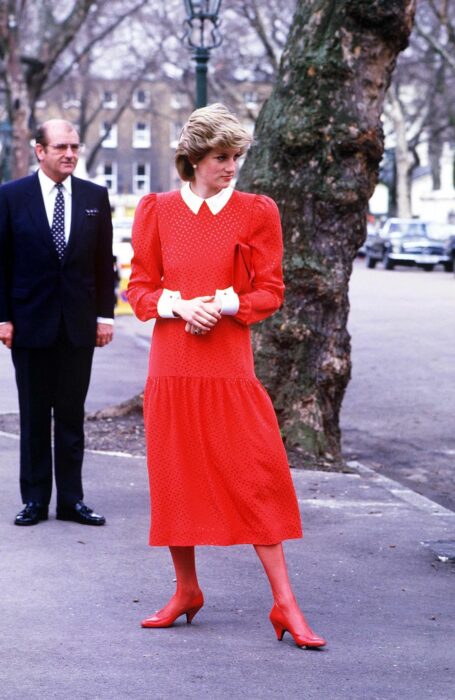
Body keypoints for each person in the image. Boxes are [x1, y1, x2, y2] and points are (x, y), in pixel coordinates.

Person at [127, 103, 326, 649]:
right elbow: (139, 288)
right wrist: (178, 307)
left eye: (237, 155)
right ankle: (186, 591)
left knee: (257, 477)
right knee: (175, 476)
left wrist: (227, 300)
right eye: (221, 156)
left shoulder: (257, 211)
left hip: (229, 368)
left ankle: (286, 604)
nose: (231, 165)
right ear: (193, 159)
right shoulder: (156, 210)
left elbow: (272, 291)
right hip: (172, 367)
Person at [0, 119, 114, 527]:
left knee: (70, 416)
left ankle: (71, 501)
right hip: (29, 325)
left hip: (78, 327)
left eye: (74, 147)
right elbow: (2, 263)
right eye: (61, 147)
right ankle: (34, 500)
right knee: (33, 416)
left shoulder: (94, 197)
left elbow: (105, 264)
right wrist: (3, 318)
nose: (69, 154)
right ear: (40, 151)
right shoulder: (11, 197)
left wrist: (104, 316)